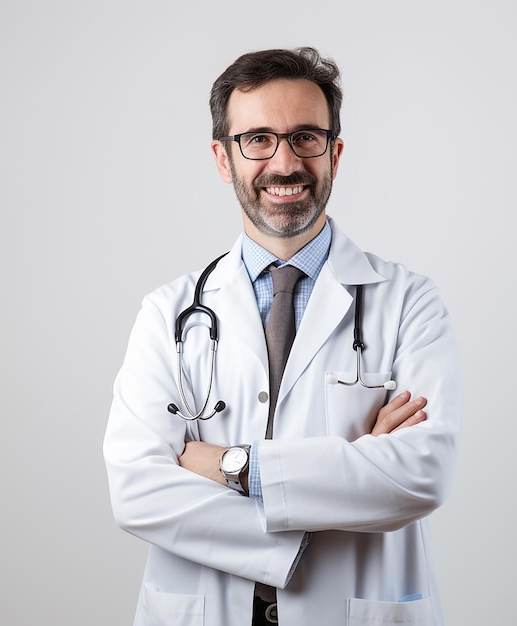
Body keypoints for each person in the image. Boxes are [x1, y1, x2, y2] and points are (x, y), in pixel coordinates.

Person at [104, 47, 460, 626]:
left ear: (335, 154)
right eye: (258, 139)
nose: (285, 162)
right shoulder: (167, 314)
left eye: (305, 138)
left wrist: (232, 466)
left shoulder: (408, 302)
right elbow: (136, 489)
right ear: (224, 158)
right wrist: (346, 476)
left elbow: (420, 474)